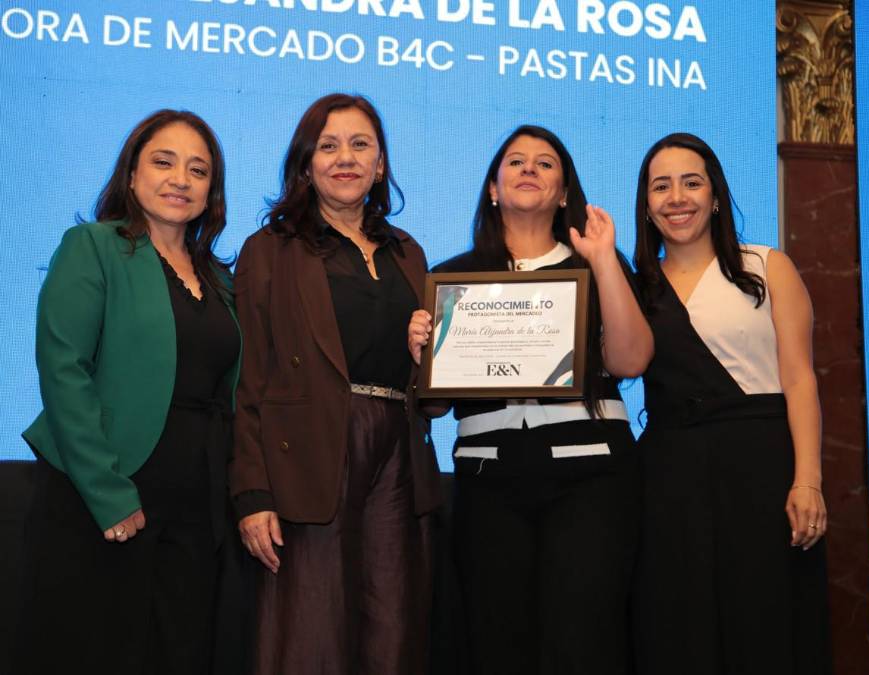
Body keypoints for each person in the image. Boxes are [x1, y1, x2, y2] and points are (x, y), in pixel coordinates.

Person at [408, 125, 653, 675]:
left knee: (584, 640)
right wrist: (421, 355)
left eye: (545, 164)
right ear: (492, 188)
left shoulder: (596, 264)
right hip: (488, 479)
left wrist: (605, 259)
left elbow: (632, 361)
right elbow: (433, 408)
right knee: (497, 642)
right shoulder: (450, 278)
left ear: (564, 191)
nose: (529, 170)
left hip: (593, 477)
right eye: (515, 161)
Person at [15, 110, 242, 675]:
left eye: (198, 170)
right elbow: (64, 369)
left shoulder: (220, 279)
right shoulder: (94, 246)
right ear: (132, 175)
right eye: (163, 162)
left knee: (182, 653)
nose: (180, 180)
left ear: (211, 191)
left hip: (197, 508)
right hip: (108, 498)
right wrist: (107, 492)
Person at [230, 93, 442, 675]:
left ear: (380, 164)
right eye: (328, 146)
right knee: (311, 633)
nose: (344, 158)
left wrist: (429, 353)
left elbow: (435, 390)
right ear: (305, 164)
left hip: (399, 451)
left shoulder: (409, 253)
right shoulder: (271, 250)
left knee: (394, 628)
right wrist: (253, 495)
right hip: (310, 453)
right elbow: (248, 380)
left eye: (360, 145)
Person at [631, 132, 831, 674]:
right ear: (645, 205)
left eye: (692, 183)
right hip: (670, 477)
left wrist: (807, 479)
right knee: (679, 625)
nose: (677, 198)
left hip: (761, 468)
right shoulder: (633, 289)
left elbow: (800, 379)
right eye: (661, 186)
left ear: (715, 194)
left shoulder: (766, 266)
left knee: (763, 620)